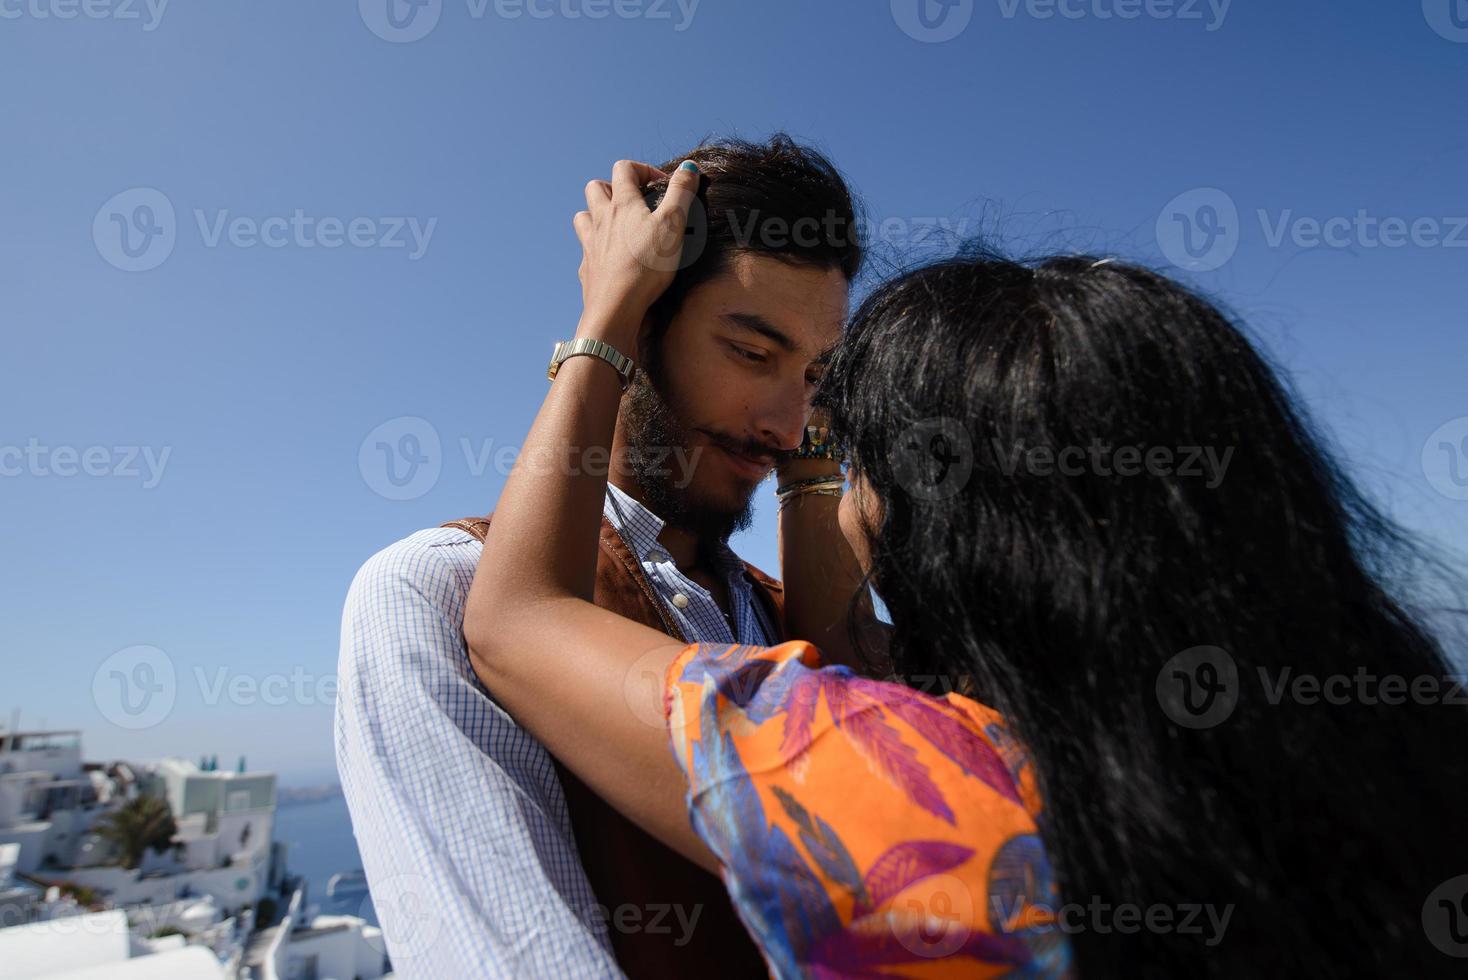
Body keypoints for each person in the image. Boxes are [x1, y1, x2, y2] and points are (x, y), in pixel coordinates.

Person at [464, 158, 1468, 977]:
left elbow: (518, 620)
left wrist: (606, 319)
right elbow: (846, 651)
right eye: (754, 351)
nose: (804, 445)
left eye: (848, 447)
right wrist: (816, 425)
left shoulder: (928, 797)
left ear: (954, 527)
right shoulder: (1378, 749)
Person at [334, 135, 879, 978]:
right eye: (750, 352)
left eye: (814, 378)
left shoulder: (789, 611)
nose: (783, 421)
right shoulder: (433, 590)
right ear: (644, 315)